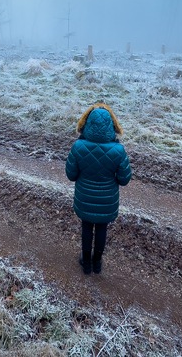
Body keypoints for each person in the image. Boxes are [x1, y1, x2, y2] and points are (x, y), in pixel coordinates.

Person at [65, 102, 132, 275]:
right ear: (111, 125)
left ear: (86, 124)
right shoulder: (118, 150)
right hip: (107, 199)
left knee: (86, 227)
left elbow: (71, 175)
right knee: (102, 228)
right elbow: (124, 179)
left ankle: (86, 263)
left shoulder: (78, 147)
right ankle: (97, 263)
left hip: (84, 197)